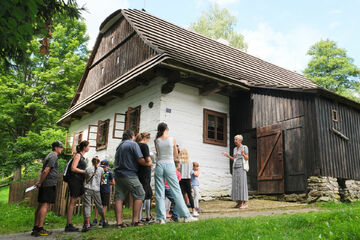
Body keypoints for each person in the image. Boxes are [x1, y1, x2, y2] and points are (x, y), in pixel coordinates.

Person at [154, 122, 197, 224]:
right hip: (169, 165)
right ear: (166, 129)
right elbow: (176, 155)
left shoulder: (156, 140)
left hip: (159, 165)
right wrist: (176, 165)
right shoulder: (172, 139)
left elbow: (157, 154)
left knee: (159, 192)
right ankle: (186, 216)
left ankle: (161, 219)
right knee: (176, 191)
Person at [114, 130, 152, 228]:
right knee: (140, 193)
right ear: (132, 136)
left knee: (119, 198)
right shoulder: (133, 144)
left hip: (118, 175)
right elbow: (140, 160)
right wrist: (148, 163)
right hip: (129, 174)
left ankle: (119, 223)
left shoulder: (119, 146)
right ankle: (135, 221)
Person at [32, 141, 63, 237]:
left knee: (41, 204)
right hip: (49, 184)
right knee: (45, 205)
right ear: (56, 148)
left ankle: (36, 228)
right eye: (61, 147)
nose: (62, 149)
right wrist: (40, 182)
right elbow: (46, 170)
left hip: (45, 183)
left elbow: (42, 171)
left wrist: (39, 182)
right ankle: (40, 228)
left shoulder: (48, 155)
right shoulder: (53, 156)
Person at [65, 140, 89, 232]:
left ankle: (86, 222)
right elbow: (73, 168)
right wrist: (84, 171)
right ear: (84, 147)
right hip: (74, 181)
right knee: (73, 202)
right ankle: (68, 225)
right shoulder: (78, 155)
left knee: (85, 200)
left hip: (79, 182)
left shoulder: (83, 157)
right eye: (88, 146)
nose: (89, 147)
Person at [222, 135, 249, 209]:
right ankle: (239, 203)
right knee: (236, 185)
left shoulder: (244, 147)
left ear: (240, 140)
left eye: (236, 139)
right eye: (234, 139)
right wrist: (227, 156)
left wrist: (243, 154)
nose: (235, 141)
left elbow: (247, 158)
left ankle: (245, 203)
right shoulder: (234, 149)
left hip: (241, 168)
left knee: (242, 185)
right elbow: (235, 159)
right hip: (235, 168)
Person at [82, 157, 109, 232]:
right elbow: (101, 179)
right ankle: (104, 220)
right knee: (99, 205)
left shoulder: (87, 169)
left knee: (87, 205)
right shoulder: (101, 169)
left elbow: (86, 178)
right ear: (98, 162)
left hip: (88, 189)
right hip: (96, 190)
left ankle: (87, 224)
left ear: (91, 161)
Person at [135, 132, 154, 223]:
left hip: (137, 171)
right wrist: (150, 162)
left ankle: (142, 216)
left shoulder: (136, 145)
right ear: (147, 138)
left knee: (143, 193)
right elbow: (148, 160)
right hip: (145, 171)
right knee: (146, 193)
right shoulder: (144, 146)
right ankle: (145, 217)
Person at [92, 160, 114, 226]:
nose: (103, 168)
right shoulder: (98, 172)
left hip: (106, 191)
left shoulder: (109, 173)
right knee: (97, 205)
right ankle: (95, 219)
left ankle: (102, 219)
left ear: (107, 166)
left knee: (104, 205)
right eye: (101, 167)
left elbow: (113, 182)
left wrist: (107, 183)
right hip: (98, 190)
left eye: (104, 167)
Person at [178, 148, 198, 216]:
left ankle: (183, 210)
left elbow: (178, 170)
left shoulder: (180, 161)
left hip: (181, 179)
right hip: (188, 179)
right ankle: (194, 210)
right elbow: (190, 171)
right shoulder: (190, 161)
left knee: (181, 195)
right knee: (189, 195)